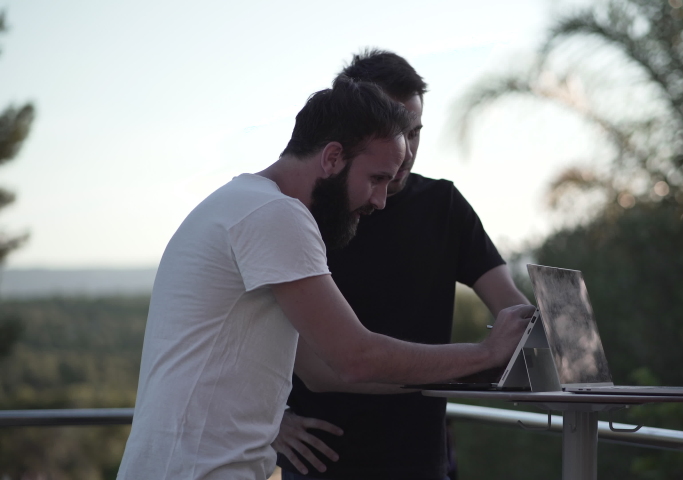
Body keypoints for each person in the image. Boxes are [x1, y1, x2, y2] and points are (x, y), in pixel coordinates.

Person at [116, 77, 534, 480]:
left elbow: (327, 370)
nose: (380, 201)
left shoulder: (241, 203)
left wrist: (476, 371)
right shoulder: (276, 214)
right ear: (332, 158)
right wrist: (486, 352)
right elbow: (355, 358)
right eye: (376, 179)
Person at [275, 50, 531, 480]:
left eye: (415, 132)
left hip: (420, 458)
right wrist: (272, 421)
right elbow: (310, 363)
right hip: (320, 461)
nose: (406, 149)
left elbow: (515, 309)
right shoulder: (307, 212)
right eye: (395, 131)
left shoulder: (444, 205)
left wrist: (554, 337)